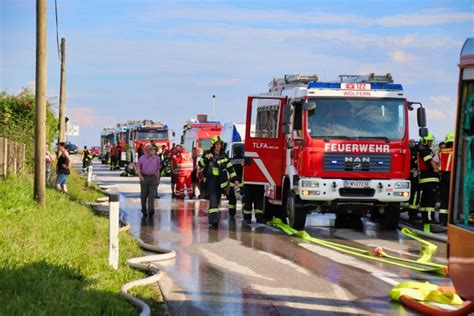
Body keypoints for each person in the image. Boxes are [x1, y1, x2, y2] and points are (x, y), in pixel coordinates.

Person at [199, 136, 239, 228]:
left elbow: (230, 168)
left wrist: (235, 179)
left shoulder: (224, 155)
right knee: (213, 199)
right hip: (210, 180)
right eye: (217, 144)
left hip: (221, 182)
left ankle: (211, 216)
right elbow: (200, 164)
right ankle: (214, 220)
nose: (219, 146)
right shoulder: (207, 153)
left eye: (220, 144)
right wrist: (206, 159)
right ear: (213, 145)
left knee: (216, 200)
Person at [418, 132, 440, 233]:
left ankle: (426, 221)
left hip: (427, 179)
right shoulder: (425, 151)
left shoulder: (426, 150)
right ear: (425, 141)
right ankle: (428, 222)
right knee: (430, 201)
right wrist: (437, 170)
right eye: (430, 140)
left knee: (425, 201)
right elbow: (430, 163)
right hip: (429, 179)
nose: (431, 142)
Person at [136, 143, 161, 216]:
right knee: (143, 196)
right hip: (144, 178)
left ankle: (151, 210)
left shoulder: (156, 158)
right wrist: (140, 176)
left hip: (153, 178)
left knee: (152, 195)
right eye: (150, 149)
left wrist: (158, 178)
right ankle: (144, 209)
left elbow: (158, 169)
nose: (152, 150)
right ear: (146, 150)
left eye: (153, 149)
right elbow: (138, 168)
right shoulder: (142, 158)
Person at [438, 132, 454, 226]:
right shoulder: (455, 150)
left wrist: (439, 170)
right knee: (451, 198)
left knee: (443, 199)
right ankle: (450, 220)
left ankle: (442, 220)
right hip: (452, 176)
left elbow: (434, 162)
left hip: (443, 176)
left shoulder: (441, 151)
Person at [403, 139, 420, 220]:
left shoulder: (413, 151)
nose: (412, 144)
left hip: (410, 175)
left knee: (413, 193)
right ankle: (412, 213)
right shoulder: (411, 151)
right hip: (411, 176)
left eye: (413, 142)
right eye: (411, 142)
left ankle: (411, 212)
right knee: (414, 193)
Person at [227, 145, 245, 219]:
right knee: (244, 199)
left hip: (232, 183)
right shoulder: (244, 160)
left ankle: (231, 214)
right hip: (241, 183)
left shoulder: (231, 160)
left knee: (232, 200)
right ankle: (244, 213)